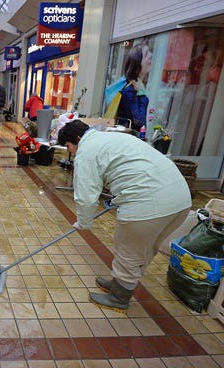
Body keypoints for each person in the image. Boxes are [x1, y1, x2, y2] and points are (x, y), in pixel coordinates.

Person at [57, 120, 191, 313]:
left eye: (69, 147)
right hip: (180, 200)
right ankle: (120, 283)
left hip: (149, 203)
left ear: (77, 139)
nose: (71, 152)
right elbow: (131, 168)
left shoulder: (86, 152)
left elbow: (85, 196)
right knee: (146, 248)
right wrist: (119, 197)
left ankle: (119, 298)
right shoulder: (113, 137)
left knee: (129, 250)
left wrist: (84, 222)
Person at [116, 41, 152, 132]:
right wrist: (142, 94)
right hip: (127, 140)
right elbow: (139, 121)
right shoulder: (130, 90)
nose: (151, 55)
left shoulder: (135, 87)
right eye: (146, 54)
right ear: (138, 63)